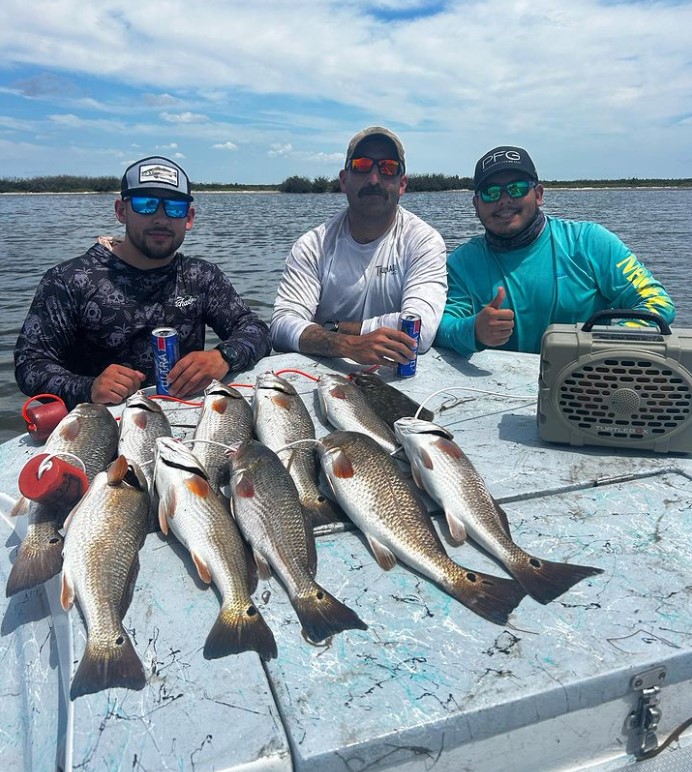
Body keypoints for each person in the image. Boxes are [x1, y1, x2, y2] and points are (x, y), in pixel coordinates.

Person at [15, 156, 271, 408]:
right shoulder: (70, 280)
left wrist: (223, 356)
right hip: (99, 423)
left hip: (183, 416)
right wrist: (88, 387)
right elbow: (30, 363)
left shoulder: (201, 276)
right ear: (121, 211)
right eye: (146, 204)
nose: (161, 218)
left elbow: (256, 330)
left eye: (174, 207)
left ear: (189, 218)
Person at [435, 145, 676, 357]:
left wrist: (602, 345)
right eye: (491, 192)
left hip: (587, 381)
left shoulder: (590, 241)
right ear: (476, 204)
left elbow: (657, 302)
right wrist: (474, 331)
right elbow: (439, 325)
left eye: (517, 188)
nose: (504, 200)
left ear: (538, 195)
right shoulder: (462, 262)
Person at [270, 126, 447, 368]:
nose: (374, 179)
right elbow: (281, 326)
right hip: (321, 374)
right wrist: (346, 345)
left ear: (402, 184)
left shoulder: (424, 242)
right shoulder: (311, 246)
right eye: (362, 166)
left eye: (388, 168)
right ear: (344, 180)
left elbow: (419, 329)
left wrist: (336, 328)